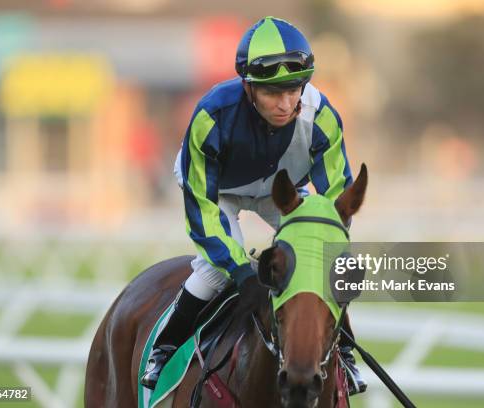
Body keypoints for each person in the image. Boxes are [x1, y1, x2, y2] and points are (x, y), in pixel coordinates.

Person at [141, 16, 366, 395]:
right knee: (215, 272)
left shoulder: (322, 117)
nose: (285, 103)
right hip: (221, 193)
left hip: (283, 192)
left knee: (316, 266)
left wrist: (320, 253)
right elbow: (204, 219)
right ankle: (163, 349)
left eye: (294, 89)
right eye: (272, 93)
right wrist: (242, 272)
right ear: (248, 88)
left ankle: (343, 349)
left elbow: (331, 208)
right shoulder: (212, 117)